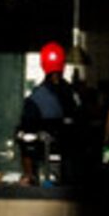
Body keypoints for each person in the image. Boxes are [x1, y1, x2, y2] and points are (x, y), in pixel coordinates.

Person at [17, 42, 75, 185]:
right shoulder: (72, 93)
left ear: (43, 65)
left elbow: (26, 135)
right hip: (70, 162)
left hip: (44, 159)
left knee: (23, 135)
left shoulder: (36, 98)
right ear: (63, 65)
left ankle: (29, 176)